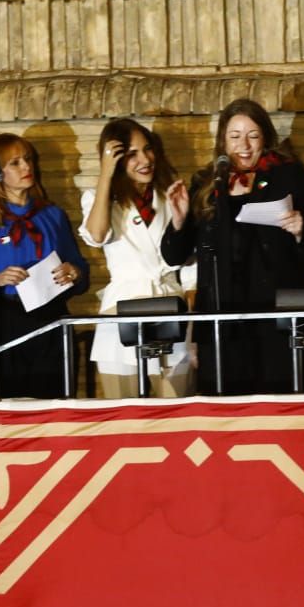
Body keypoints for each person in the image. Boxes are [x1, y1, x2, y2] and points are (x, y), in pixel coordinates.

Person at [161, 99, 304, 395]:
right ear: (223, 141)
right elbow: (174, 255)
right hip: (224, 322)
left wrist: (303, 230)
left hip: (279, 319)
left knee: (284, 406)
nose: (244, 145)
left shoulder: (291, 177)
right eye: (235, 136)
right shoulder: (208, 183)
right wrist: (179, 220)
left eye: (253, 135)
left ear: (266, 138)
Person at [0, 134, 89, 399]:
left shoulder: (53, 215)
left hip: (52, 318)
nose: (26, 167)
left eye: (28, 159)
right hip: (5, 322)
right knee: (8, 408)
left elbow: (81, 271)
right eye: (15, 163)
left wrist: (75, 272)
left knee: (56, 404)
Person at [80, 119, 195, 398]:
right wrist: (106, 176)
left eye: (148, 150)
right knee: (124, 413)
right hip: (121, 310)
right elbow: (96, 235)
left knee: (177, 406)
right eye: (132, 154)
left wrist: (193, 316)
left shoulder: (171, 197)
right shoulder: (98, 198)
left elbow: (191, 262)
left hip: (171, 306)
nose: (144, 160)